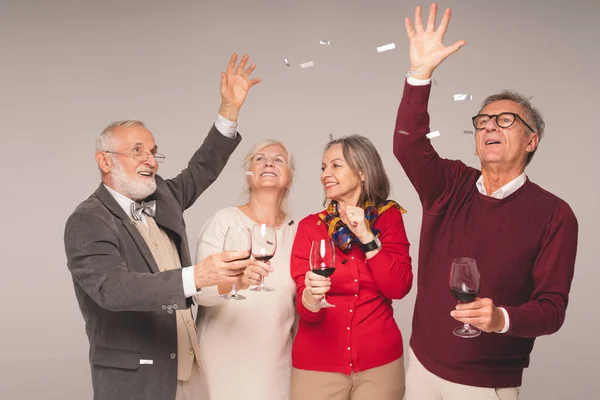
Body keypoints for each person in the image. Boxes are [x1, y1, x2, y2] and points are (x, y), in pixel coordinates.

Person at [394, 4, 579, 399]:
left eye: (506, 120)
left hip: (486, 384)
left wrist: (501, 319)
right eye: (483, 121)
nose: (491, 125)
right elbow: (408, 145)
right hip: (422, 366)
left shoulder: (554, 214)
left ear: (532, 142)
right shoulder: (451, 184)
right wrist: (420, 75)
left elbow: (551, 308)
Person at [64, 53, 260, 400]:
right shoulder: (87, 221)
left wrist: (229, 109)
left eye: (154, 152)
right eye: (137, 150)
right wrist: (196, 277)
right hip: (137, 381)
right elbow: (114, 290)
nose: (150, 161)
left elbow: (203, 168)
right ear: (104, 161)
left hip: (189, 372)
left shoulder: (164, 194)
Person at [290, 135, 413, 400]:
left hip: (380, 365)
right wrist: (311, 296)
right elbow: (307, 311)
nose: (326, 174)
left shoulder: (388, 218)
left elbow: (399, 287)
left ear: (363, 172)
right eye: (323, 168)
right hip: (317, 366)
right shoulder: (310, 227)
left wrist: (368, 238)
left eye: (336, 165)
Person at [194, 139, 298, 399]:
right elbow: (200, 292)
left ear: (289, 179)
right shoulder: (224, 221)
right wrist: (234, 282)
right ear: (248, 176)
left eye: (279, 159)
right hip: (220, 364)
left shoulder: (298, 233)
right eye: (259, 158)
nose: (269, 163)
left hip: (276, 369)